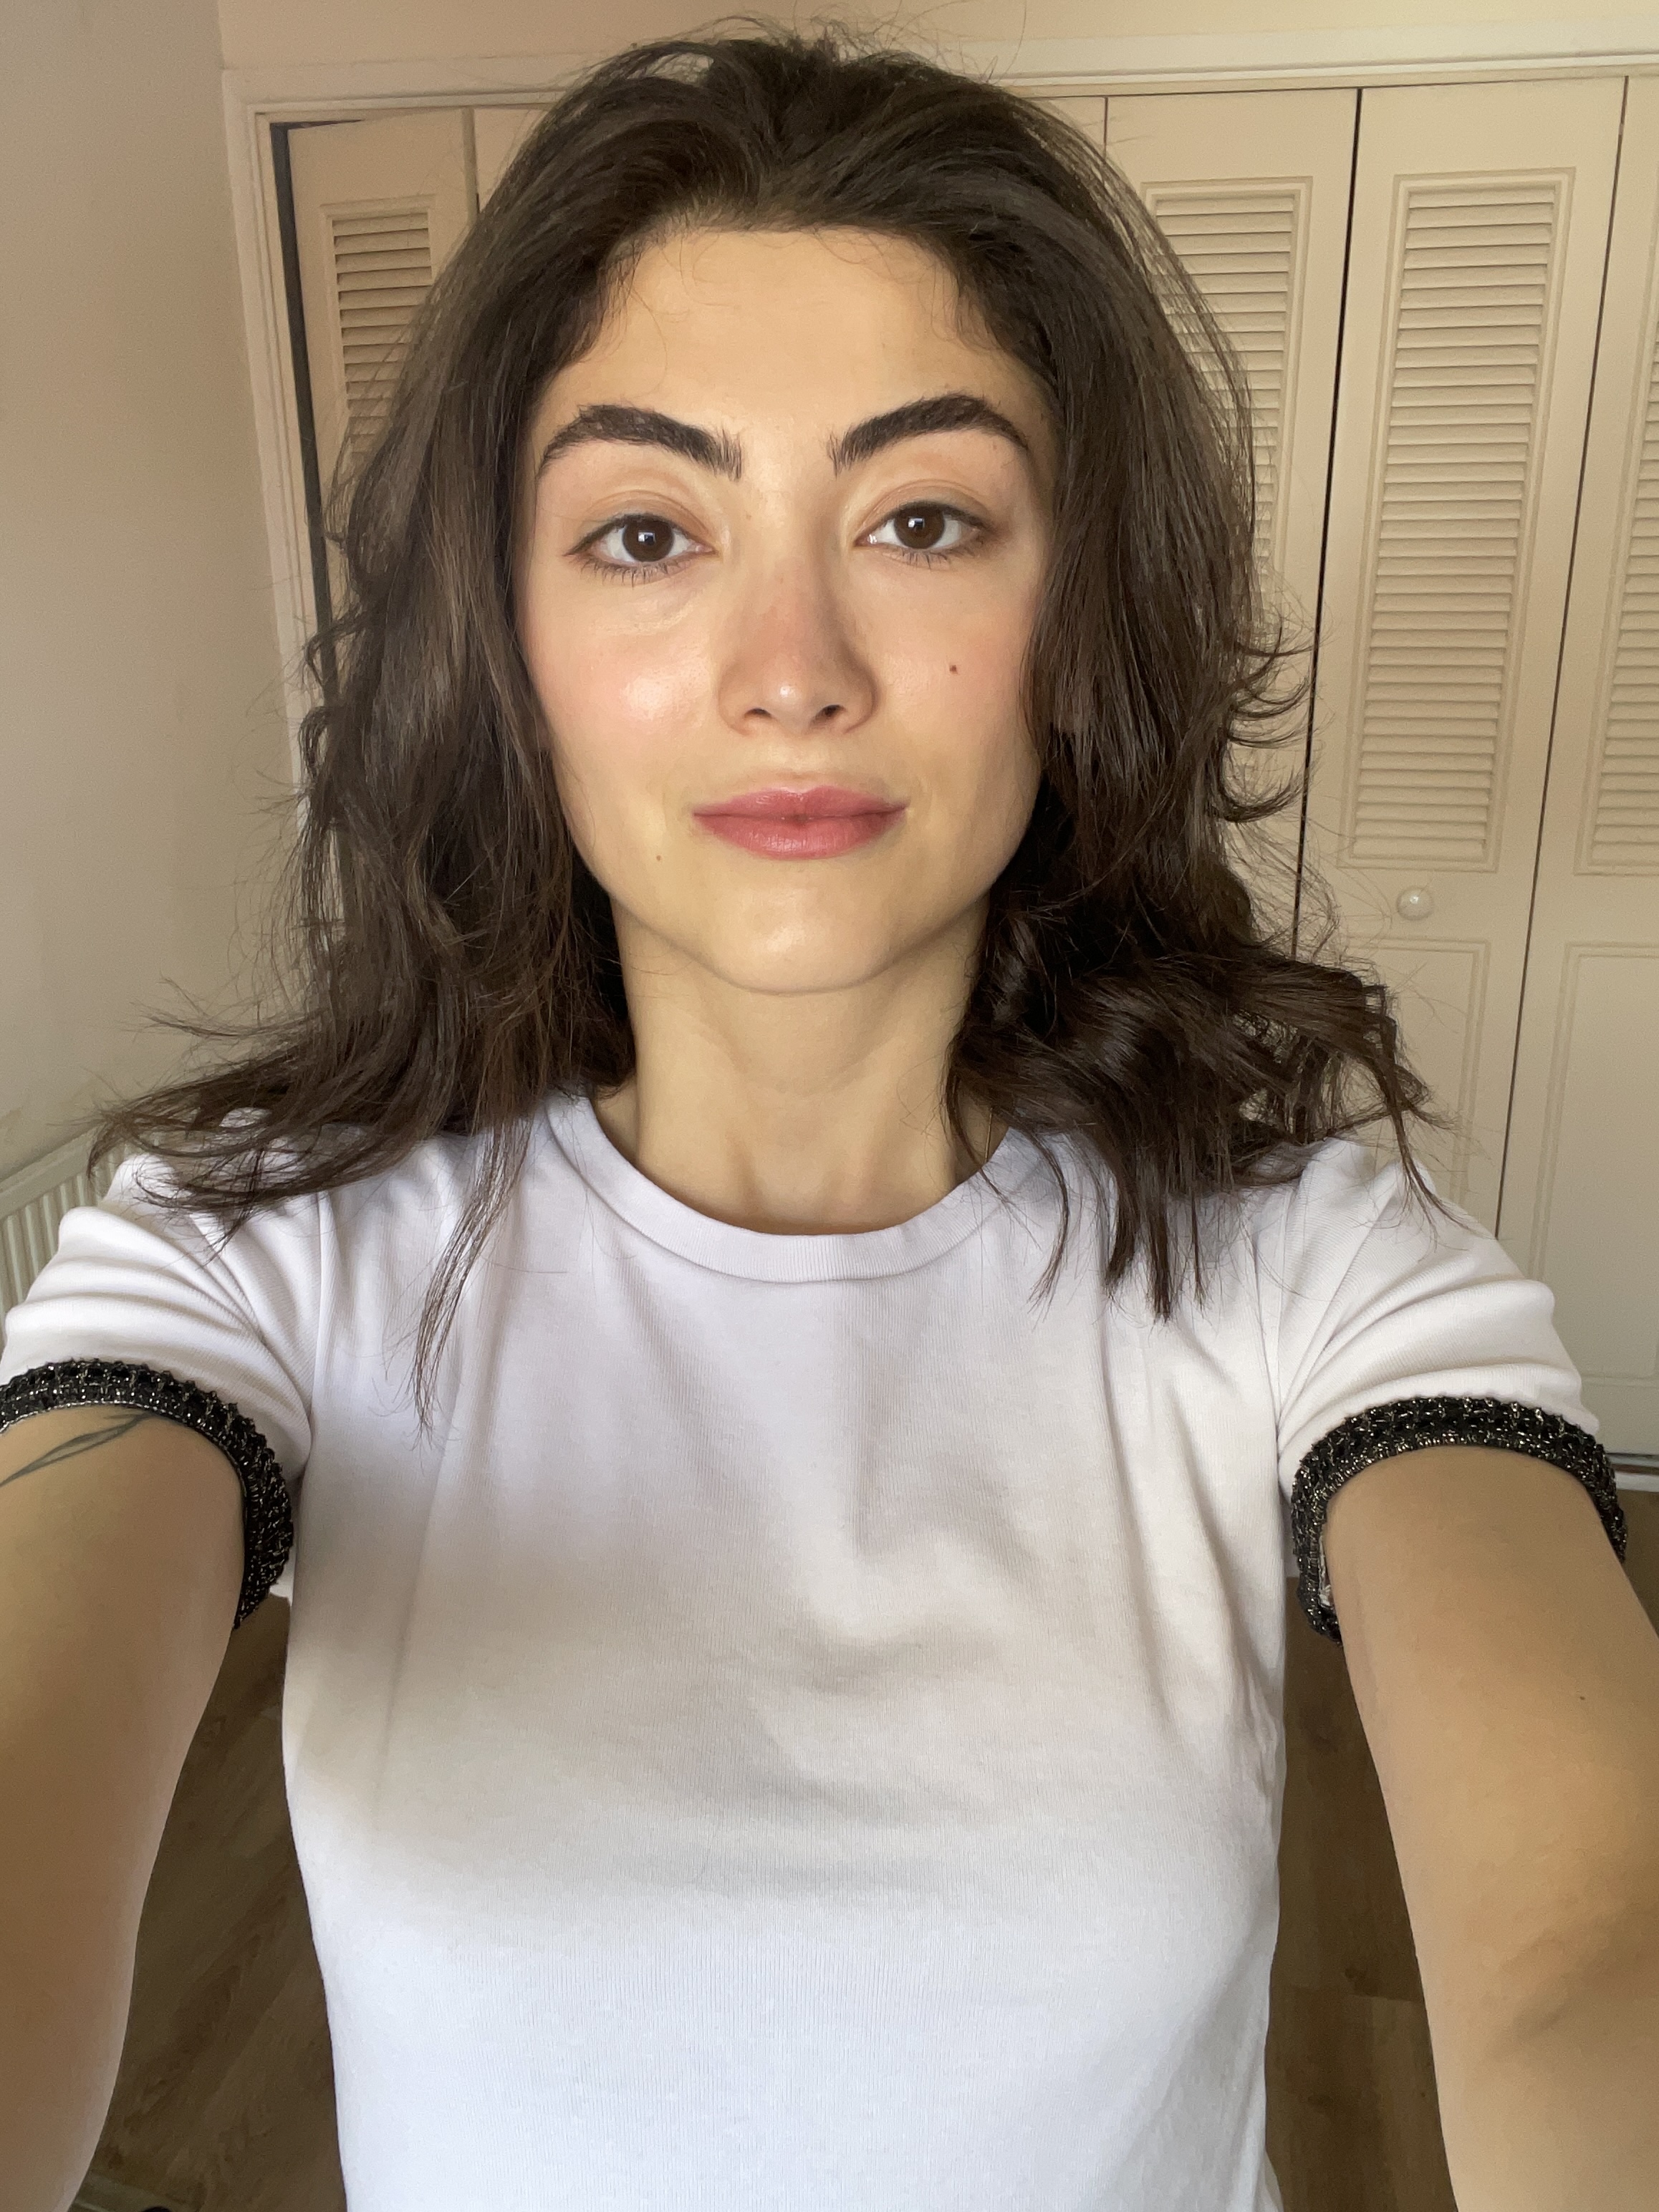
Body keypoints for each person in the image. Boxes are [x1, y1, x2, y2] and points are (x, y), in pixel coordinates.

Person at [0, 21, 1635, 2212]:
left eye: (922, 520)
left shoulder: (1312, 1268)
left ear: (1080, 618)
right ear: (504, 642)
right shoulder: (244, 1260)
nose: (792, 666)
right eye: (646, 530)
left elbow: (1591, 1941)